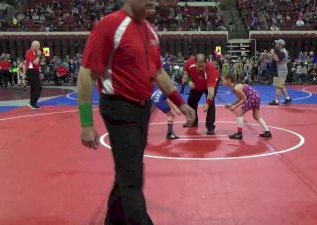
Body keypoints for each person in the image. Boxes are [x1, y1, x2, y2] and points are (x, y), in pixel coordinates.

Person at [77, 1, 194, 225]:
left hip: (141, 110)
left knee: (126, 172)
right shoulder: (110, 25)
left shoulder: (150, 30)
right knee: (132, 178)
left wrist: (180, 102)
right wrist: (86, 123)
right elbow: (85, 74)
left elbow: (158, 71)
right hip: (119, 108)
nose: (154, 2)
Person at [222, 73, 272, 139]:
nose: (222, 81)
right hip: (256, 96)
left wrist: (235, 106)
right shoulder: (235, 87)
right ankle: (267, 132)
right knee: (256, 116)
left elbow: (244, 98)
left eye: (223, 80)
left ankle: (239, 134)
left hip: (252, 97)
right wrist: (232, 104)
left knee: (240, 113)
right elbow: (240, 98)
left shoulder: (236, 88)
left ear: (228, 80)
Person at [183, 54, 219, 135]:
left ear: (206, 63)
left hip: (209, 84)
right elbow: (185, 74)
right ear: (194, 63)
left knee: (210, 104)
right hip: (196, 83)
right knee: (191, 101)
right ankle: (193, 121)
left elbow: (211, 92)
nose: (200, 69)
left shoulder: (210, 69)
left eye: (202, 67)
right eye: (198, 66)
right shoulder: (189, 63)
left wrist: (207, 103)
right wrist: (189, 81)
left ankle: (210, 127)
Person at [268, 39, 292, 105]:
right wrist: (272, 55)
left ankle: (276, 100)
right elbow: (276, 57)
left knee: (278, 86)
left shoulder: (283, 52)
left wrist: (272, 53)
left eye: (277, 44)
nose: (276, 45)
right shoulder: (281, 51)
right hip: (280, 70)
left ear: (280, 45)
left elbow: (277, 59)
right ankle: (287, 98)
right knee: (281, 85)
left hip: (281, 70)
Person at [25, 40, 43, 109]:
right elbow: (35, 63)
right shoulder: (29, 52)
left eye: (39, 46)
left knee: (33, 88)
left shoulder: (34, 53)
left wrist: (39, 71)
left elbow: (37, 64)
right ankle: (32, 103)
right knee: (38, 88)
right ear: (33, 46)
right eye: (37, 46)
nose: (39, 47)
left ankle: (32, 103)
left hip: (35, 71)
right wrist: (38, 55)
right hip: (31, 71)